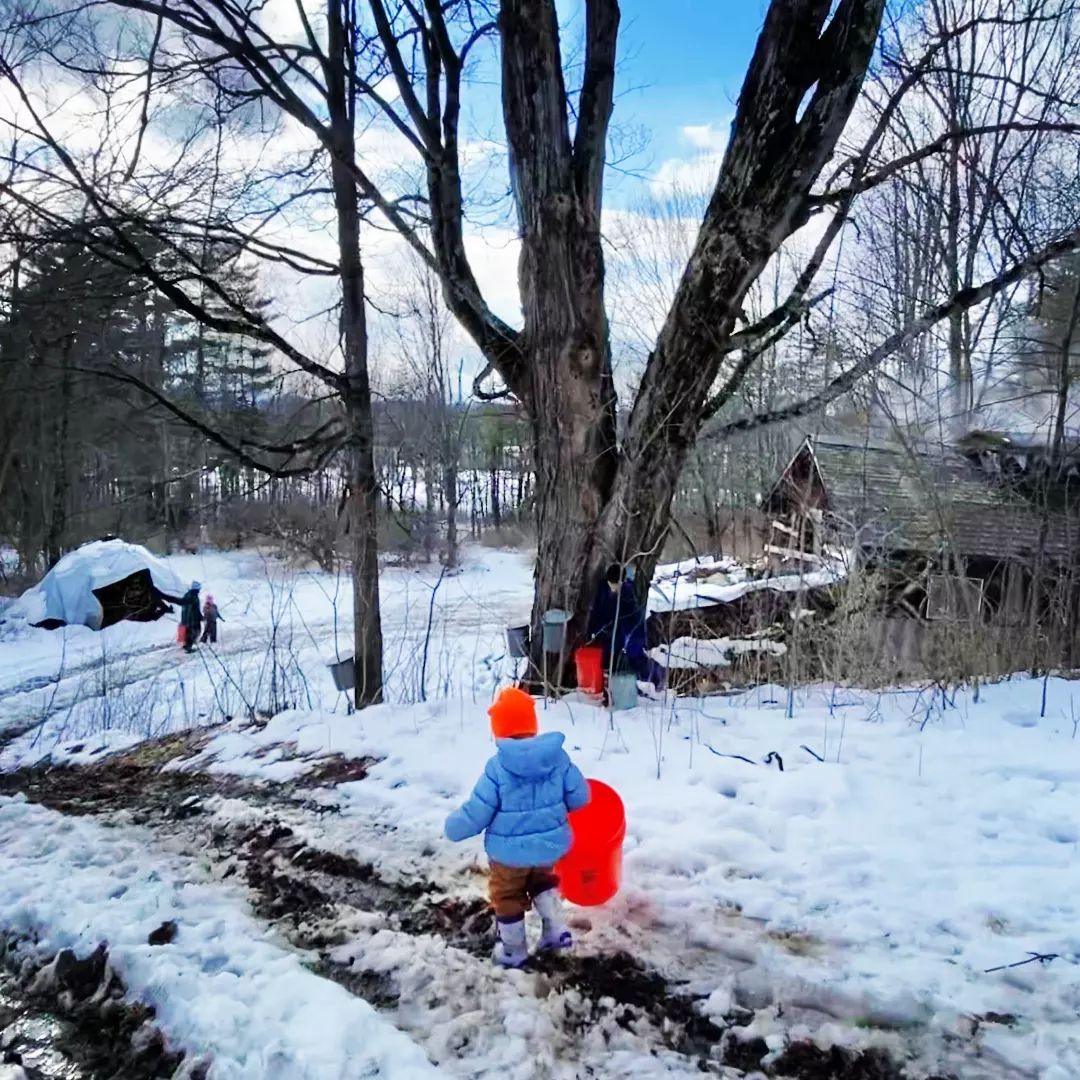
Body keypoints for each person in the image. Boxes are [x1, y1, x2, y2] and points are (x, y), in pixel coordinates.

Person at [445, 687, 590, 968]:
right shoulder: (558, 759)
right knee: (543, 882)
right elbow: (581, 797)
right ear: (531, 724)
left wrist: (455, 827)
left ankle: (513, 950)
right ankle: (555, 930)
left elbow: (478, 810)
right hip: (549, 848)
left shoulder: (498, 767)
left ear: (499, 729)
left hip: (508, 855)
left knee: (507, 895)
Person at [588, 563, 666, 690]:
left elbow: (634, 619)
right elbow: (597, 613)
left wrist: (631, 638)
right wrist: (595, 630)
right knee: (608, 661)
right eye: (611, 584)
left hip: (627, 634)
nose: (613, 587)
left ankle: (657, 678)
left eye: (616, 584)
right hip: (607, 634)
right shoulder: (602, 591)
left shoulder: (627, 593)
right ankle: (612, 688)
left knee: (635, 658)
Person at [179, 582, 202, 653]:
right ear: (196, 589)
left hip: (185, 619)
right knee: (195, 631)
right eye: (199, 589)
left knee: (188, 632)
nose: (199, 590)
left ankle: (187, 645)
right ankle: (189, 647)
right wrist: (200, 617)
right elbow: (195, 609)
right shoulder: (194, 597)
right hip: (192, 619)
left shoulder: (186, 595)